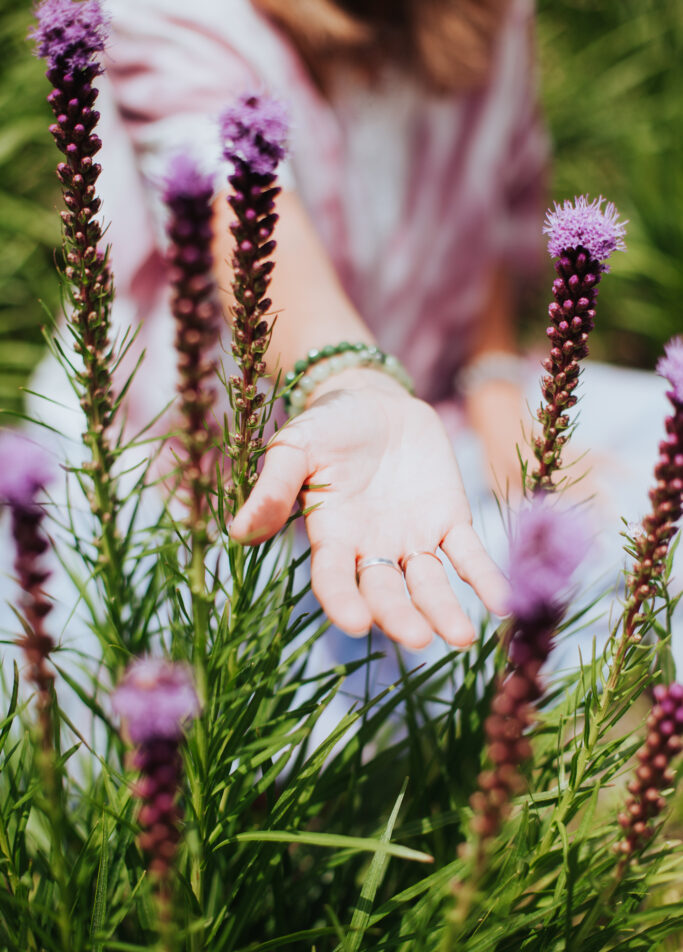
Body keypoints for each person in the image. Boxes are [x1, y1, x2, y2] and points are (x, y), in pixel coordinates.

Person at [92, 0, 552, 656]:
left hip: (425, 432)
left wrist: (497, 390)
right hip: (196, 474)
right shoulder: (170, 13)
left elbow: (492, 216)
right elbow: (246, 215)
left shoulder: (496, 17)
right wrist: (353, 381)